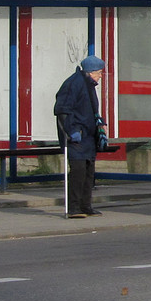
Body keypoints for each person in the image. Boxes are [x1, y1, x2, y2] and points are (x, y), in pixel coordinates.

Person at [54, 55, 109, 218]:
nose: (100, 76)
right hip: (77, 136)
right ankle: (74, 207)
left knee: (88, 171)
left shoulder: (88, 84)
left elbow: (91, 109)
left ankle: (86, 205)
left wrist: (100, 123)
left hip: (88, 136)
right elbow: (62, 109)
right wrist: (71, 132)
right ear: (90, 72)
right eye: (99, 72)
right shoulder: (74, 83)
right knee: (78, 171)